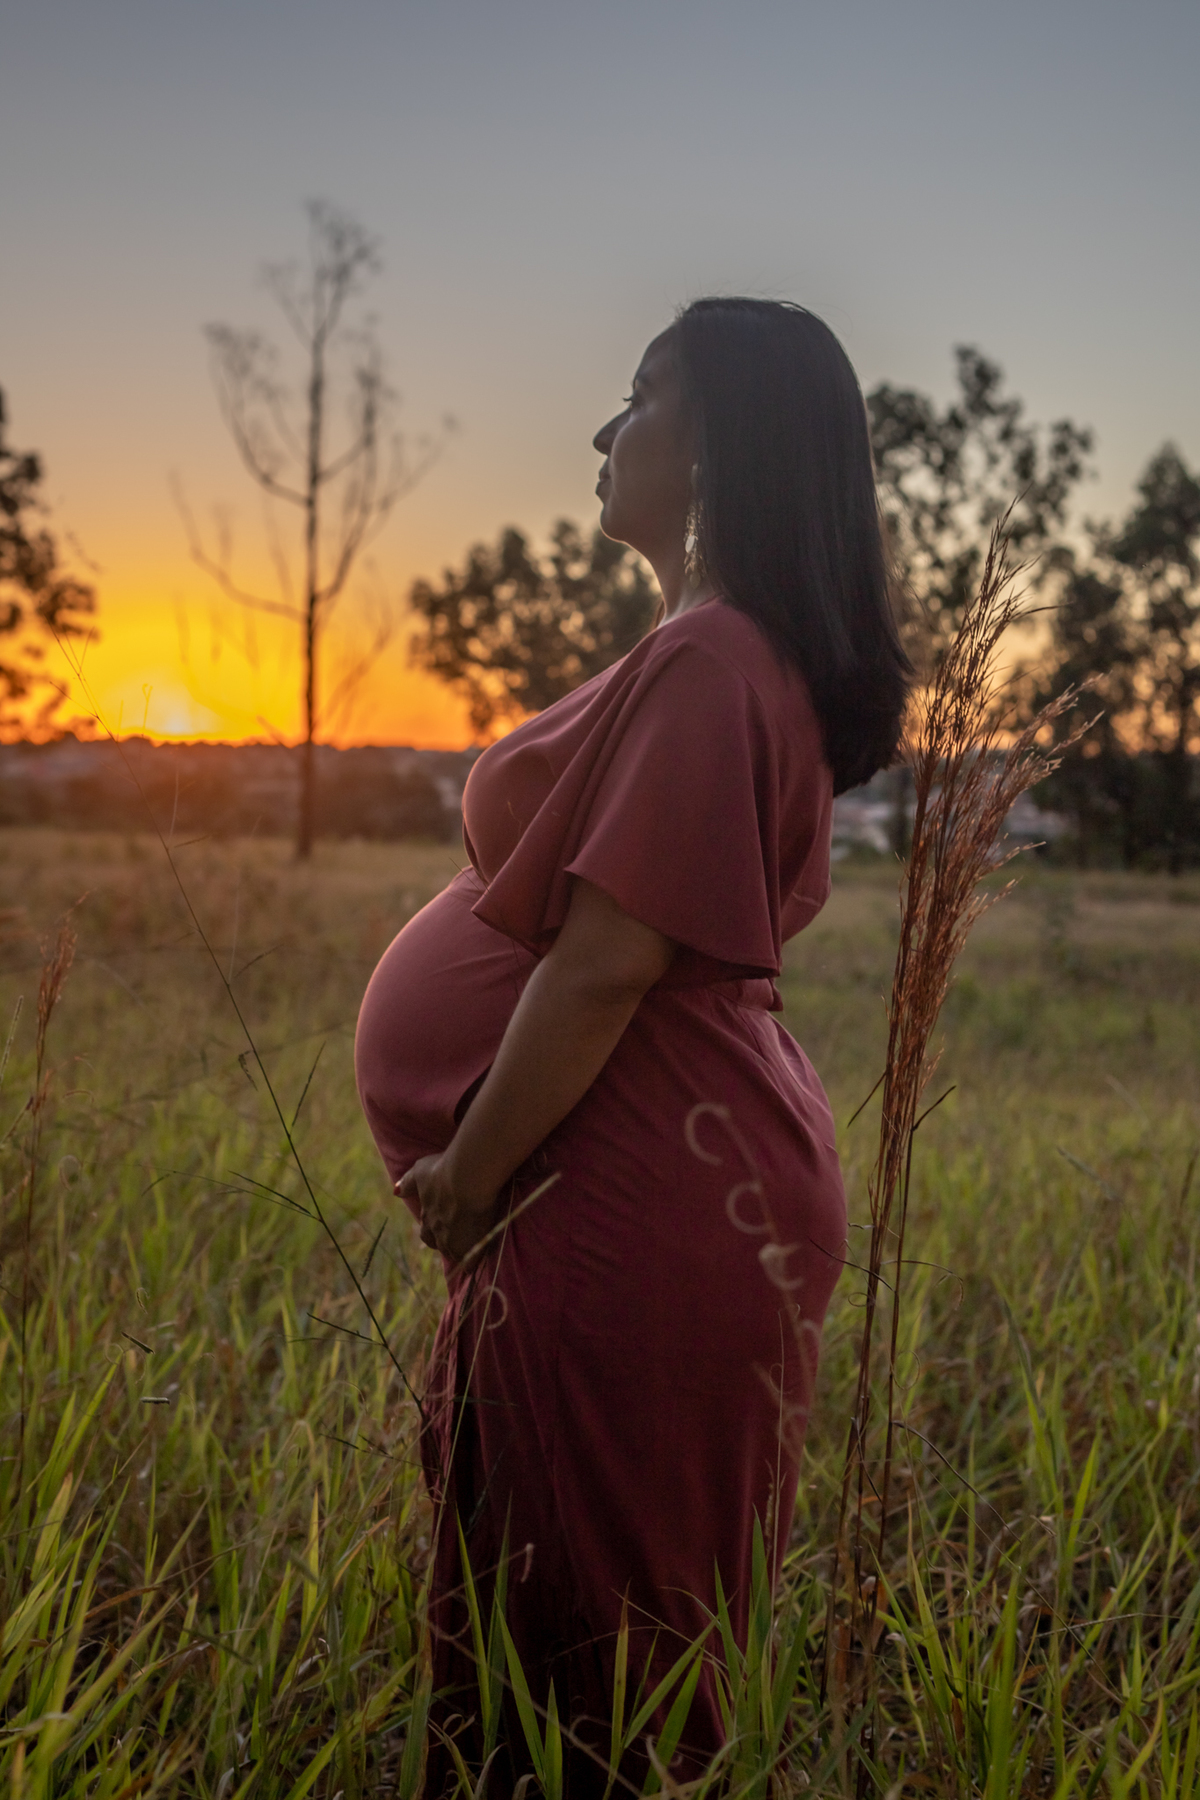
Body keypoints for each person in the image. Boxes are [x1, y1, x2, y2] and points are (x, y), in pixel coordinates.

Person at [355, 297, 910, 1796]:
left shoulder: (712, 659)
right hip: (663, 1188)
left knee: (585, 1689)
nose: (606, 432)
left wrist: (469, 1171)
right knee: (590, 1662)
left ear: (729, 439)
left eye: (643, 396)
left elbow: (605, 965)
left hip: (632, 1206)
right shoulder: (716, 656)